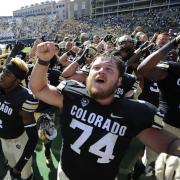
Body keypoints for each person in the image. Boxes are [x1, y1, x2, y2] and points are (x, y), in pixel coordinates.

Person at [30, 42, 180, 180]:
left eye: (108, 69)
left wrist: (177, 154)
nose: (101, 71)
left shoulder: (133, 112)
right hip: (65, 174)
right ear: (88, 76)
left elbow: (170, 143)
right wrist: (43, 61)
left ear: (119, 80)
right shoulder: (72, 95)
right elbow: (39, 89)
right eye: (96, 68)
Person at [0, 58, 39, 180]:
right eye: (3, 72)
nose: (2, 76)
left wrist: (20, 166)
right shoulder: (2, 86)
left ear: (17, 81)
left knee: (24, 174)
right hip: (4, 139)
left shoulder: (24, 98)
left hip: (19, 142)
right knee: (11, 165)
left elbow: (33, 138)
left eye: (7, 74)